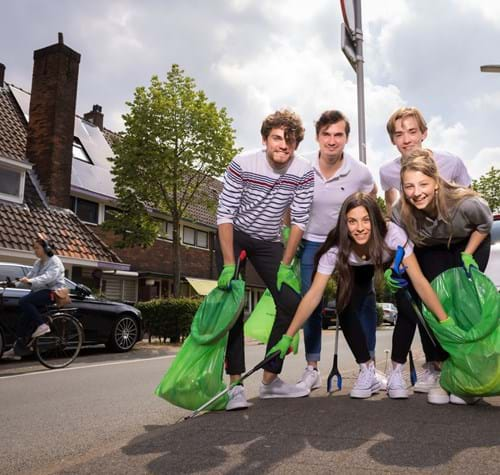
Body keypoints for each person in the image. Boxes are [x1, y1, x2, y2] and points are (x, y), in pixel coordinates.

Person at [269, 192, 453, 400]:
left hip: (388, 261)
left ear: (374, 219)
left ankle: (395, 372)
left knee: (407, 304)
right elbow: (313, 295)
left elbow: (419, 281)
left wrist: (445, 321)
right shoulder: (336, 246)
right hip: (356, 268)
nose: (360, 228)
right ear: (344, 224)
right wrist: (288, 335)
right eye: (352, 221)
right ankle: (367, 370)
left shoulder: (392, 234)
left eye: (366, 220)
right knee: (344, 306)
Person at [216, 109, 315, 410]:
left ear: (296, 144)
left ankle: (270, 379)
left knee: (291, 303)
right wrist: (230, 263)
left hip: (270, 240)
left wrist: (285, 264)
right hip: (237, 233)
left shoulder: (304, 171)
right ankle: (235, 385)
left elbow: (298, 221)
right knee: (233, 305)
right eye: (277, 138)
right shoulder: (243, 163)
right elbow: (225, 214)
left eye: (290, 141)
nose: (283, 145)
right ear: (264, 139)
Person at [380, 106, 472, 393]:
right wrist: (392, 258)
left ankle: (460, 365)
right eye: (399, 134)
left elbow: (468, 203)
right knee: (413, 305)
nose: (406, 139)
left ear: (424, 133)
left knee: (449, 303)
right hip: (413, 246)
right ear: (393, 139)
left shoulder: (451, 162)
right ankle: (433, 365)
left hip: (449, 244)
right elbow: (391, 213)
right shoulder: (387, 171)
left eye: (412, 131)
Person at [391, 148, 492, 404]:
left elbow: (484, 225)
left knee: (464, 304)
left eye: (423, 184)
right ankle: (447, 373)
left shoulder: (466, 203)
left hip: (469, 243)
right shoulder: (399, 212)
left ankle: (474, 378)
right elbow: (400, 248)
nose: (416, 192)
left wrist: (468, 254)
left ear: (436, 182)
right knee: (435, 305)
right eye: (409, 186)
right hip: (432, 248)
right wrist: (395, 268)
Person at [295, 110, 381, 393]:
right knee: (312, 304)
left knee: (362, 302)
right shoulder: (303, 168)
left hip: (350, 245)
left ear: (346, 138)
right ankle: (312, 369)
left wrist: (362, 230)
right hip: (313, 241)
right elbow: (289, 204)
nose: (332, 141)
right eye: (326, 134)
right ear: (318, 136)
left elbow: (371, 195)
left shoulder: (359, 171)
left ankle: (368, 366)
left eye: (338, 135)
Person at [3, 234, 65, 359]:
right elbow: (30, 276)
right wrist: (14, 283)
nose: (34, 250)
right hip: (40, 292)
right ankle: (18, 350)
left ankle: (42, 326)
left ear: (46, 249)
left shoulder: (55, 262)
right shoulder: (38, 262)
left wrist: (31, 281)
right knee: (23, 320)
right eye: (34, 248)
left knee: (24, 301)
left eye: (37, 248)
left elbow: (48, 277)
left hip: (52, 292)